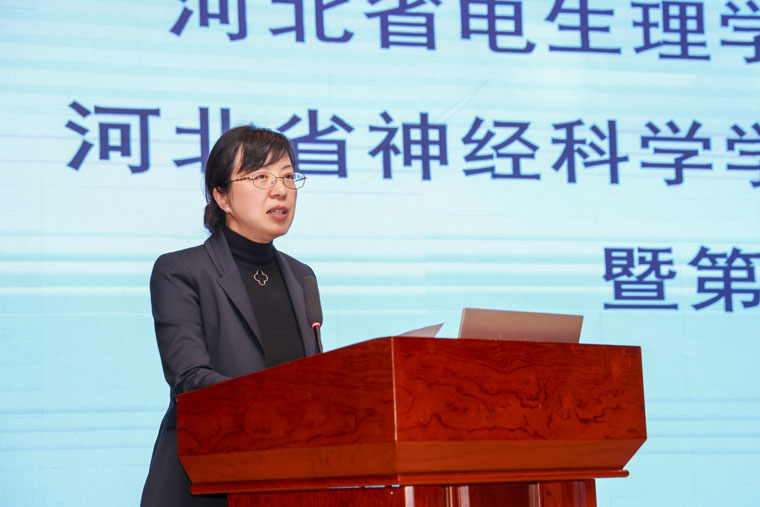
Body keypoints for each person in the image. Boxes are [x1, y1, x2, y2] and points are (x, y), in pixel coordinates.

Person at [140, 126, 322, 507]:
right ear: (221, 196)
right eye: (261, 177)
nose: (280, 190)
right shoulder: (181, 272)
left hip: (284, 484)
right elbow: (191, 380)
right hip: (206, 484)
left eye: (288, 176)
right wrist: (280, 407)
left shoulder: (301, 276)